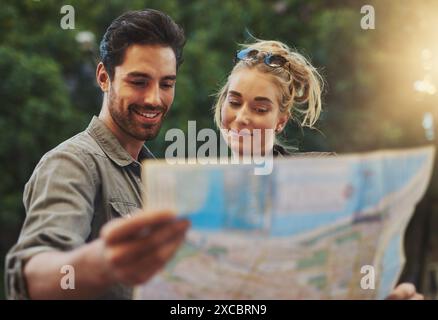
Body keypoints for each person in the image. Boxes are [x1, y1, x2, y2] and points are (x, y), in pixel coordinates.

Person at [212, 39, 424, 299]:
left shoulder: (319, 174)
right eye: (234, 102)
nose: (243, 116)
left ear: (280, 120)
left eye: (260, 108)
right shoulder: (201, 188)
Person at [5, 9, 189, 300]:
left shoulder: (159, 177)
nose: (154, 98)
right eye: (139, 82)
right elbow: (34, 277)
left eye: (166, 84)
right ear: (104, 77)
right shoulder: (72, 163)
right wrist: (105, 263)